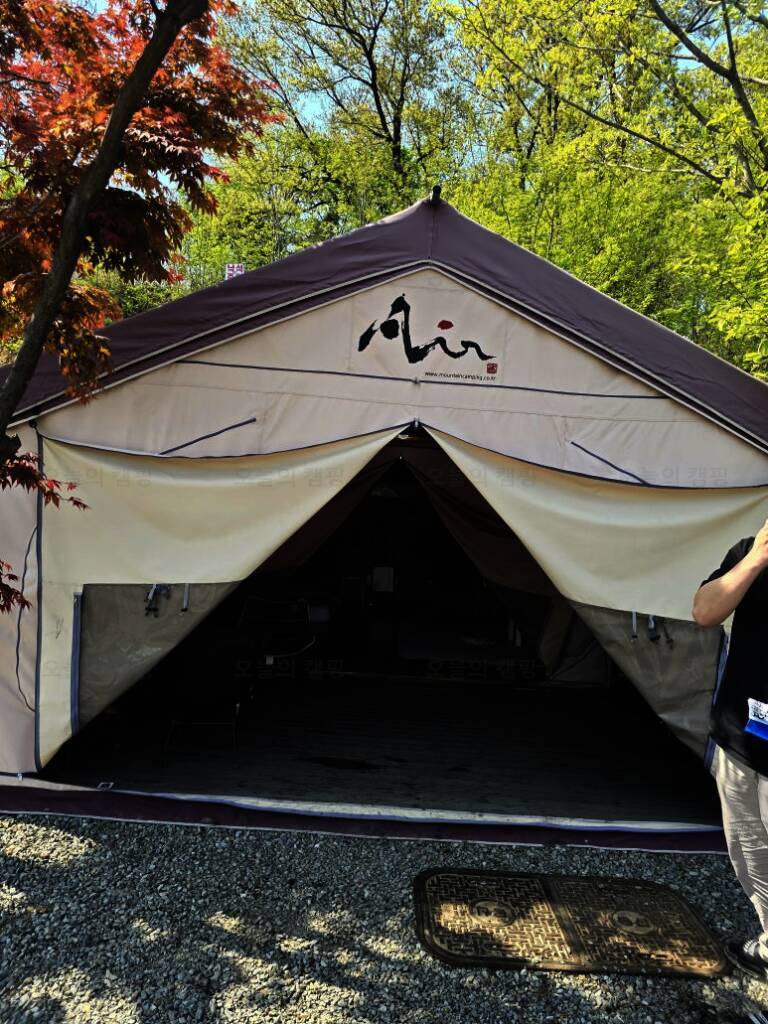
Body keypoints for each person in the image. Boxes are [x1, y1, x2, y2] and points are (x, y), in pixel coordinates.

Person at [693, 519, 768, 979]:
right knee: (748, 852)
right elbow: (704, 611)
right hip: (739, 739)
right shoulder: (748, 551)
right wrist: (757, 558)